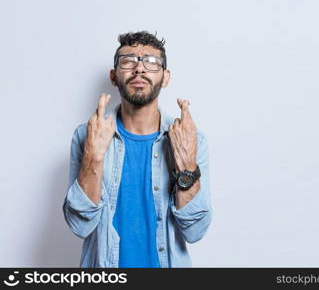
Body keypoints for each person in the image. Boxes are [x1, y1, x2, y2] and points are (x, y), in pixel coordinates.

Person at [63, 31, 212, 268]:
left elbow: (195, 231)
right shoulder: (87, 135)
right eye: (128, 61)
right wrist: (93, 157)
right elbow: (80, 225)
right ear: (113, 76)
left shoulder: (190, 139)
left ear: (165, 77)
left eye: (152, 63)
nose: (139, 69)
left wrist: (186, 168)